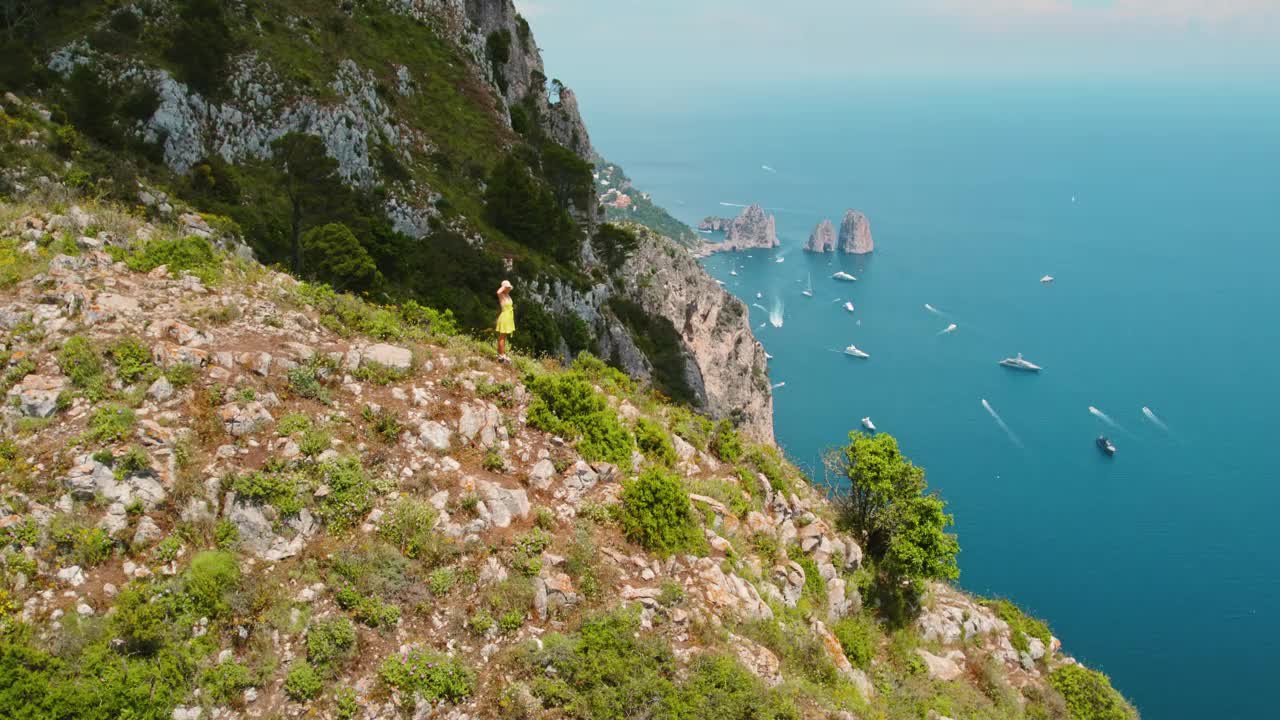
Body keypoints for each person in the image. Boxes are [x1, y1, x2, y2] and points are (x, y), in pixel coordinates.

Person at [495, 280, 515, 362]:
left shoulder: (507, 296)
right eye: (507, 287)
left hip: (509, 317)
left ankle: (502, 353)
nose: (509, 289)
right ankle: (501, 355)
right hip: (504, 316)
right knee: (502, 337)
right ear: (504, 288)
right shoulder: (502, 295)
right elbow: (498, 292)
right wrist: (504, 286)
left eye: (509, 287)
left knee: (504, 336)